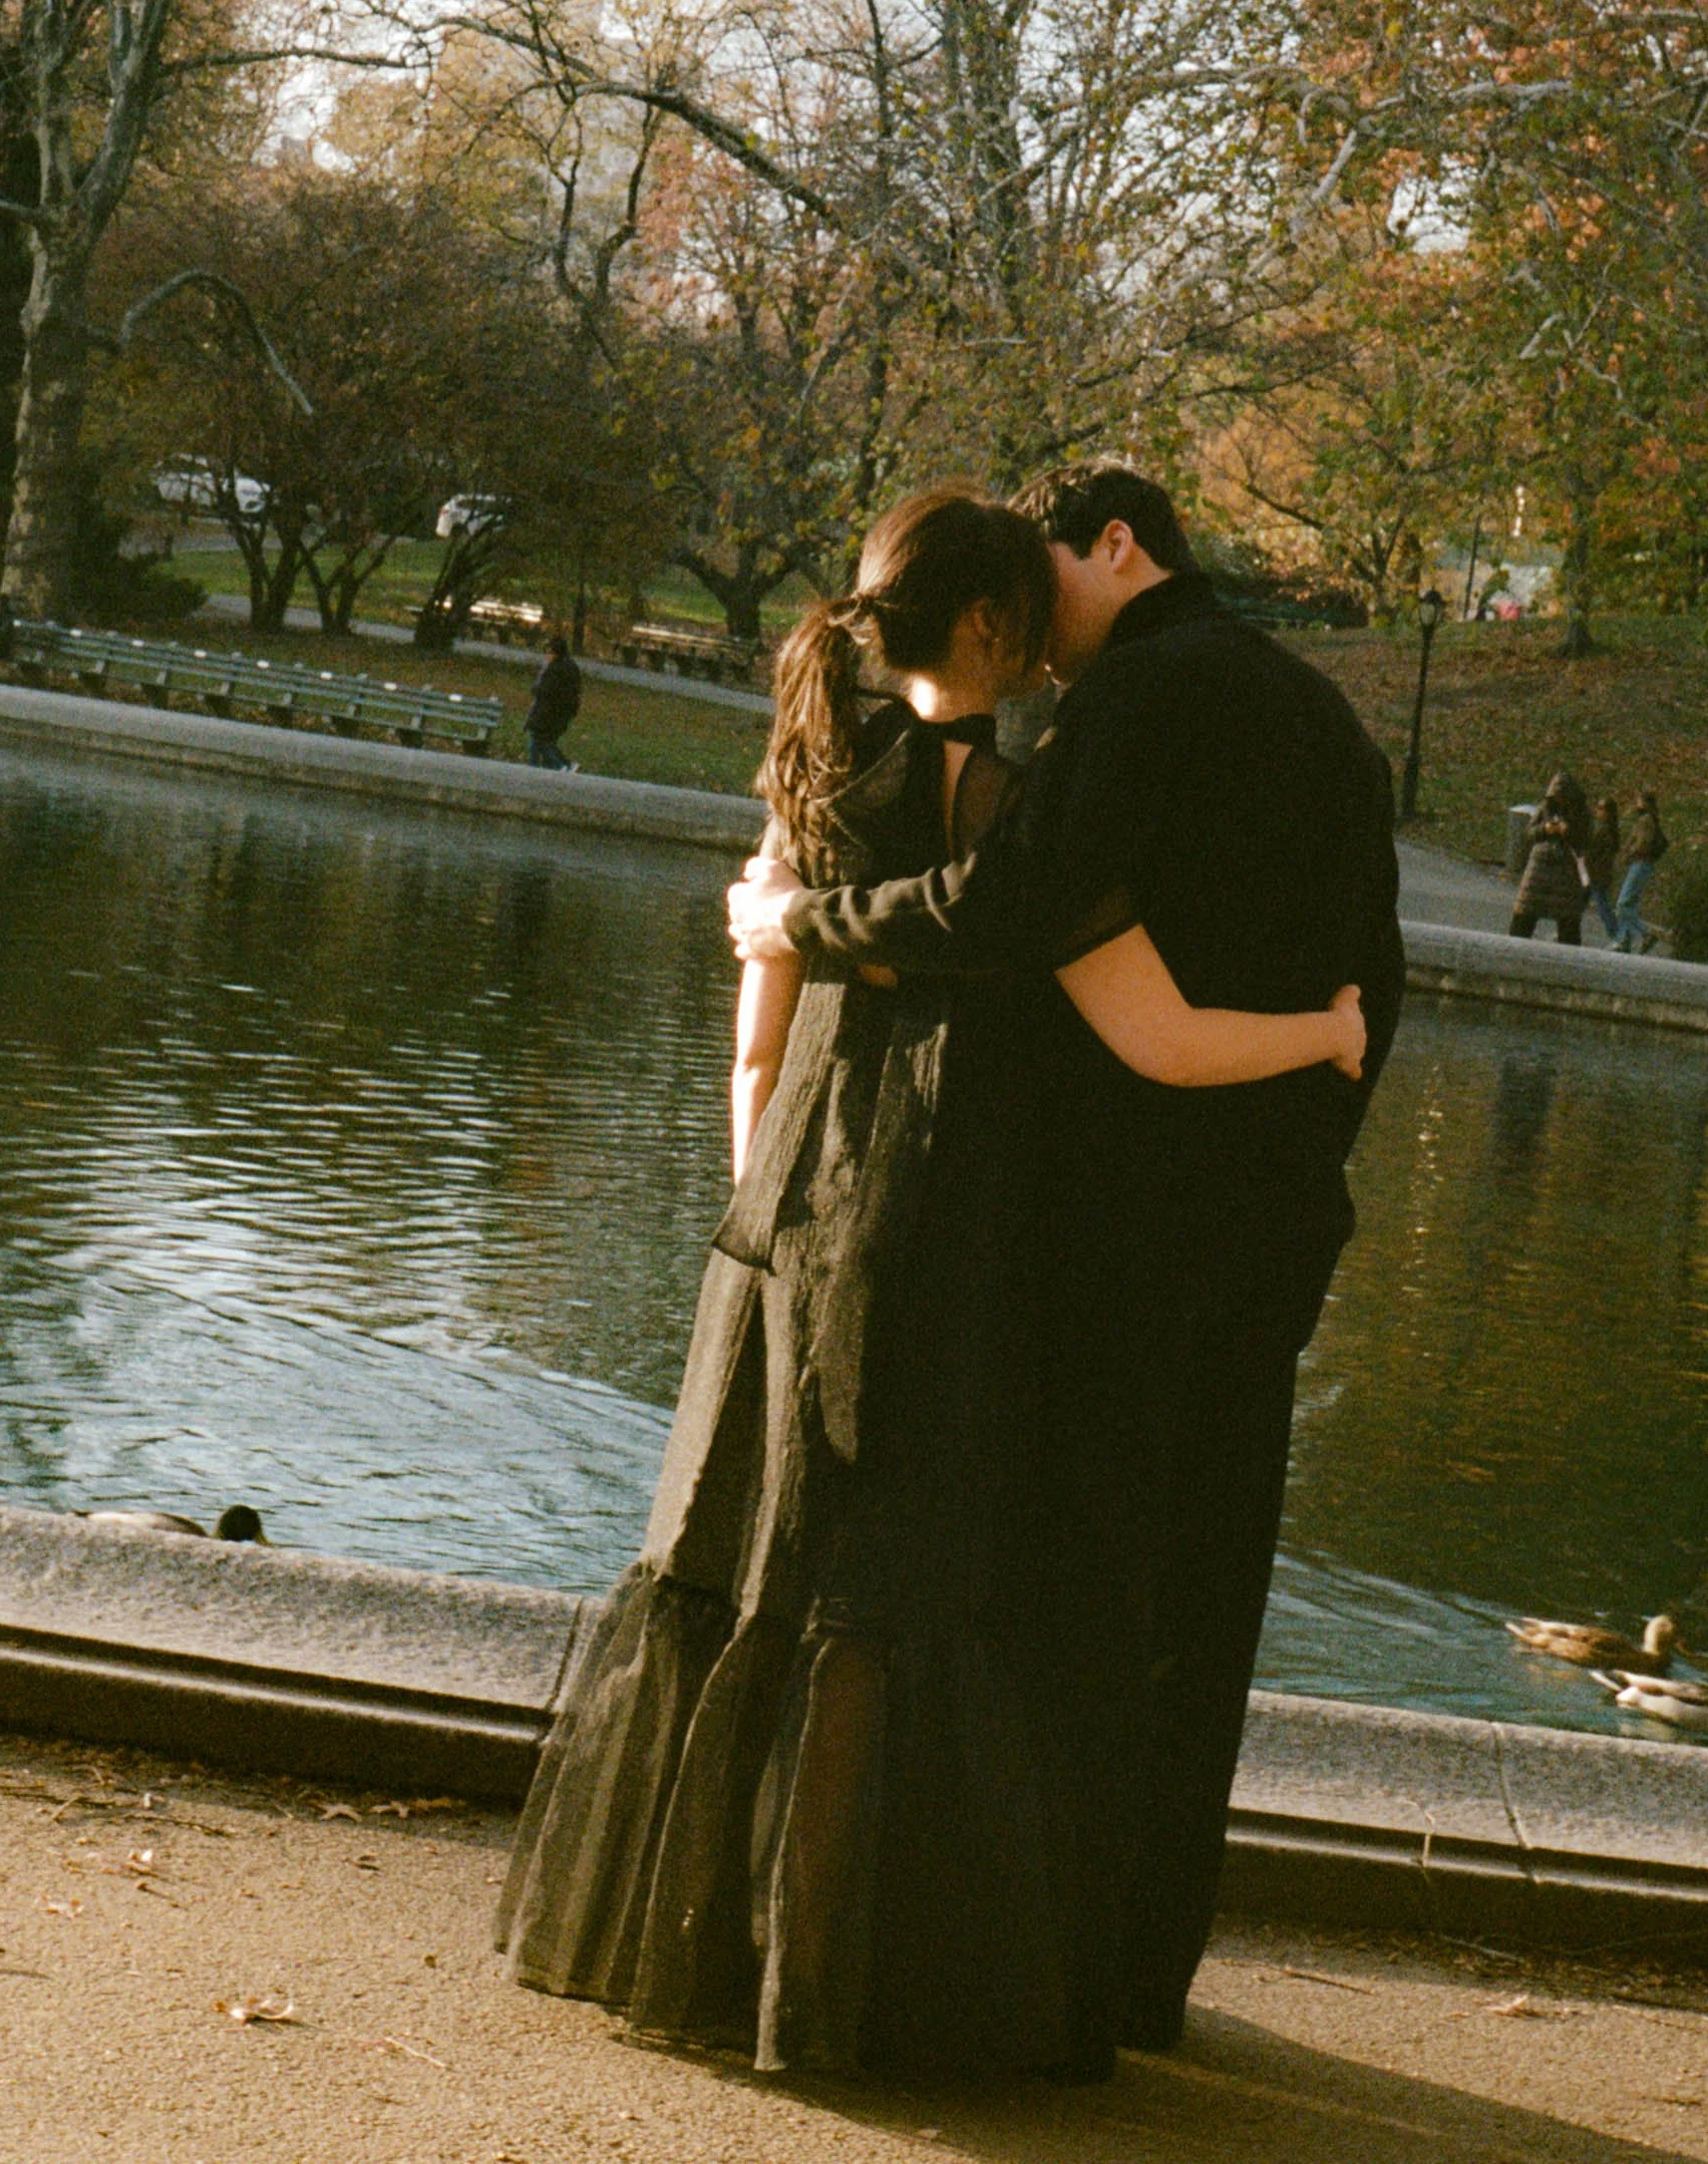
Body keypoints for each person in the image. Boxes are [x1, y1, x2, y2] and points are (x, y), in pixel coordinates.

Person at [499, 488, 1371, 2079]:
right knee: (895, 1598)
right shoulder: (1013, 817)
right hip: (945, 1234)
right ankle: (853, 1969)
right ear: (987, 629)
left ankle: (708, 1934)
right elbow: (1153, 1039)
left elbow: (756, 1044)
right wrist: (1323, 1036)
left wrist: (766, 1206)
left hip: (780, 1231)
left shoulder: (806, 799)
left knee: (752, 1567)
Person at [1510, 770, 1589, 942]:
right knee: (1524, 913)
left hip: (1566, 870)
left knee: (1568, 918)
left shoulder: (1581, 812)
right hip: (1540, 868)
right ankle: (1514, 946)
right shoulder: (1544, 808)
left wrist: (1567, 831)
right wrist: (1545, 829)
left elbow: (1585, 838)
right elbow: (1529, 833)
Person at [1612, 788, 1669, 953]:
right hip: (1643, 864)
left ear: (1644, 802)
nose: (1636, 803)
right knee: (1630, 904)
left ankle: (1646, 934)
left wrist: (1628, 854)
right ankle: (1625, 940)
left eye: (1638, 800)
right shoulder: (1650, 820)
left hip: (1640, 863)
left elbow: (1643, 843)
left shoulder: (1645, 820)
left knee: (1623, 904)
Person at [523, 634, 581, 770]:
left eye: (548, 652)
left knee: (538, 741)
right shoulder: (569, 666)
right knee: (546, 742)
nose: (546, 656)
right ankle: (559, 766)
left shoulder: (555, 669)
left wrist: (536, 688)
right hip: (560, 713)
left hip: (549, 713)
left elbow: (543, 690)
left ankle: (560, 766)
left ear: (554, 653)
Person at [1581, 796, 1620, 942]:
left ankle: (1616, 934)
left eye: (1601, 808)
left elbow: (1594, 851)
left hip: (1596, 873)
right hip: (1595, 872)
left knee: (1602, 904)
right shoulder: (1606, 829)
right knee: (1581, 901)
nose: (1598, 811)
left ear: (1609, 812)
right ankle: (1566, 927)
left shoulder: (1604, 830)